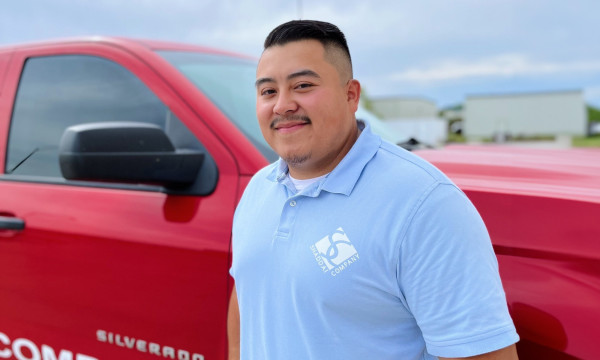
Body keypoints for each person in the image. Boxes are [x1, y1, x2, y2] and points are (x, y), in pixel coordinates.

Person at [228, 20, 519, 360]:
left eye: (303, 85)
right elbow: (247, 300)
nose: (282, 105)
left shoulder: (425, 205)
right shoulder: (258, 191)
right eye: (268, 92)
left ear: (351, 95)